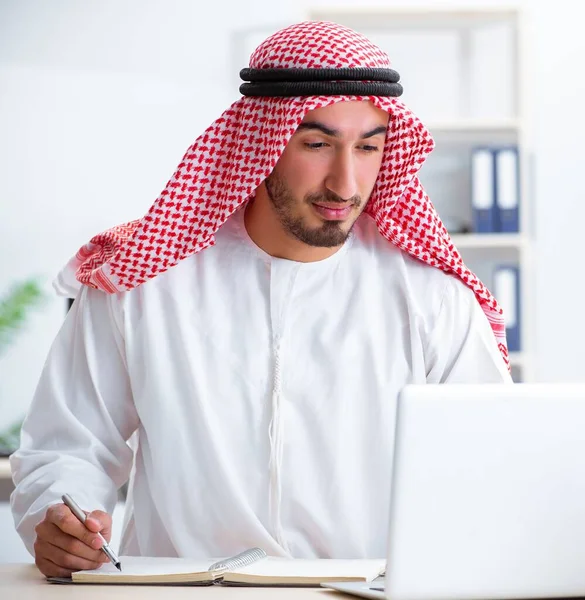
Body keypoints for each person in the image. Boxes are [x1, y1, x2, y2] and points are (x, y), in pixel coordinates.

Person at [10, 20, 512, 578]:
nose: (345, 183)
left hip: (367, 590)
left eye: (368, 148)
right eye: (317, 145)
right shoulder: (145, 284)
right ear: (262, 142)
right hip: (180, 594)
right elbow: (67, 446)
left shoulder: (432, 298)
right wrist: (56, 518)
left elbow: (490, 463)